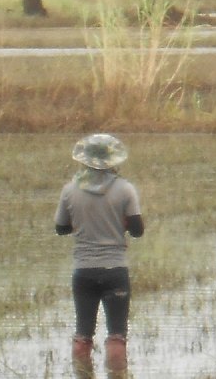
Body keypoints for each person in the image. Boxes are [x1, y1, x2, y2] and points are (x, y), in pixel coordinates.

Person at [55, 133, 144, 377]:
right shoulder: (125, 189)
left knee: (83, 335)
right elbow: (137, 231)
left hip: (83, 271)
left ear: (84, 161)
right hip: (115, 270)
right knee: (116, 335)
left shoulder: (69, 190)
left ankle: (82, 374)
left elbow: (61, 228)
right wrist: (119, 223)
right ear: (113, 160)